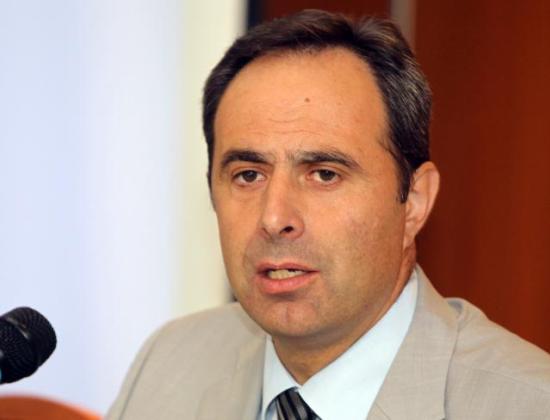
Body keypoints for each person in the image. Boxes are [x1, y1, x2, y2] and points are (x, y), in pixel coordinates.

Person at [106, 9, 550, 420]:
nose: (274, 217)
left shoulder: (528, 403)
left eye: (324, 174)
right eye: (248, 175)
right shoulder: (168, 363)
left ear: (414, 202)